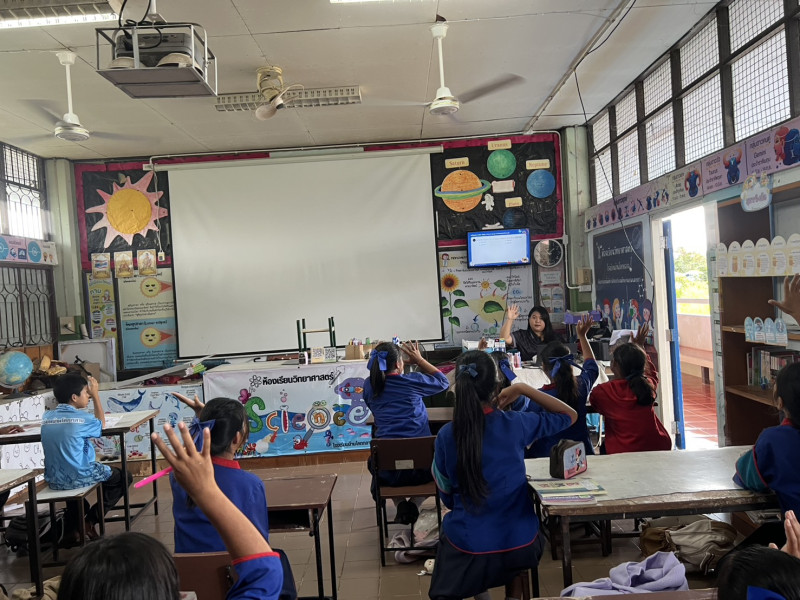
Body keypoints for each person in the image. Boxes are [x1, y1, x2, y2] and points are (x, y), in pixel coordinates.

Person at [56, 422, 283, 600]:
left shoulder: (175, 479)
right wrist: (206, 491)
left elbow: (265, 572)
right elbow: (265, 571)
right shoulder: (251, 483)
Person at [428, 350, 577, 600]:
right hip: (522, 543)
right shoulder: (517, 423)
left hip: (469, 546)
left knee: (454, 563)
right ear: (497, 388)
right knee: (507, 558)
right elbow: (569, 415)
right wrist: (522, 388)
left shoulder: (446, 435)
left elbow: (446, 495)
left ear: (457, 389)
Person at [172, 393, 296, 600]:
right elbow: (259, 546)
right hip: (235, 579)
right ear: (237, 438)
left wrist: (203, 420)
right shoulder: (250, 485)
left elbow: (191, 453)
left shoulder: (178, 478)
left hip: (189, 577)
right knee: (278, 558)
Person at [41, 373, 132, 544]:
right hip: (80, 475)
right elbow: (101, 424)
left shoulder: (47, 417)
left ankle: (75, 526)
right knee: (124, 477)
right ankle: (90, 521)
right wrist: (97, 395)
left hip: (54, 479)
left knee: (71, 468)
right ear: (74, 397)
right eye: (86, 392)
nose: (88, 395)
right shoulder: (83, 418)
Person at [364, 340, 449, 523]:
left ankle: (401, 502)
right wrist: (419, 361)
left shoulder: (369, 386)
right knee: (440, 462)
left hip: (389, 472)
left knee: (375, 461)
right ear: (398, 364)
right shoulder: (412, 381)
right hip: (422, 470)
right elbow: (443, 382)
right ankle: (415, 504)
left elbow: (375, 409)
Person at [734, 362, 800, 547]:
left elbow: (748, 478)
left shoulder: (773, 441)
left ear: (780, 402)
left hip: (796, 539)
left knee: (733, 560)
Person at [520, 314, 600, 458]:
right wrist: (582, 336)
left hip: (549, 457)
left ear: (544, 367)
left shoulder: (539, 398)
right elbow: (592, 367)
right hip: (582, 455)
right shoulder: (581, 386)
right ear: (571, 364)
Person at [589, 323, 672, 454]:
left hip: (623, 451)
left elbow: (593, 399)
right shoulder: (647, 385)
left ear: (614, 365)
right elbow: (651, 374)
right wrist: (639, 346)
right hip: (658, 446)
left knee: (604, 449)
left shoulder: (605, 391)